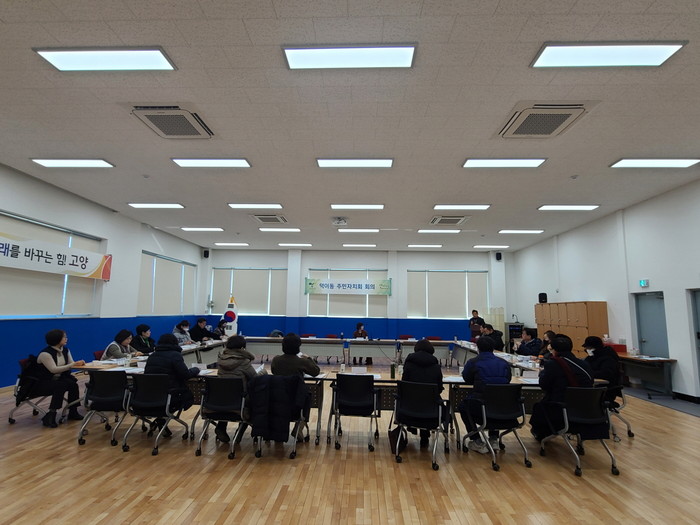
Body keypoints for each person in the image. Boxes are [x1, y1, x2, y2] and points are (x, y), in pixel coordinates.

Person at [529, 335, 593, 441]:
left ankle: (542, 434)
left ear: (554, 350)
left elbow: (544, 385)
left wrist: (542, 374)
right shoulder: (584, 363)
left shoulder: (553, 364)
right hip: (585, 407)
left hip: (560, 407)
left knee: (540, 406)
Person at [458, 336, 512, 453]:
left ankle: (476, 440)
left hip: (481, 405)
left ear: (478, 348)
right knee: (495, 399)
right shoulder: (504, 363)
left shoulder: (473, 362)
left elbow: (467, 379)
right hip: (504, 407)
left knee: (463, 407)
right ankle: (494, 439)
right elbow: (507, 380)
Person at [213, 335, 266, 443]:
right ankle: (240, 432)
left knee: (228, 396)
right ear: (242, 348)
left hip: (220, 398)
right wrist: (263, 372)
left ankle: (221, 427)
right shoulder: (244, 362)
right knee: (254, 400)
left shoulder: (220, 360)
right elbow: (255, 379)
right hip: (241, 399)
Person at [144, 333, 200, 434]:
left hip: (151, 395)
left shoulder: (152, 356)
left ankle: (161, 420)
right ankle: (162, 420)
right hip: (171, 395)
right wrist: (196, 369)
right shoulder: (175, 355)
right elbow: (186, 374)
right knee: (184, 395)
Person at [35, 329, 85, 427]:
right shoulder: (45, 354)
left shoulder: (65, 350)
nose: (66, 339)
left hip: (58, 379)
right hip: (42, 382)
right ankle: (51, 414)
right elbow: (53, 370)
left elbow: (71, 363)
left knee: (73, 384)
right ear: (56, 339)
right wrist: (72, 365)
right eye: (64, 337)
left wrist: (78, 364)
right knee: (60, 385)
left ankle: (73, 411)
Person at [400, 338, 444, 448]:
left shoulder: (409, 364)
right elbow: (439, 388)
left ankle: (413, 426)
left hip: (409, 408)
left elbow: (404, 385)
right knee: (427, 400)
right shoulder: (436, 366)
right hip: (431, 409)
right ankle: (425, 435)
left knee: (416, 398)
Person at [583, 335, 621, 401]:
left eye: (589, 348)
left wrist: (589, 373)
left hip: (605, 389)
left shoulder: (608, 358)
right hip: (594, 386)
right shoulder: (591, 357)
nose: (587, 350)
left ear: (595, 348)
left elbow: (606, 374)